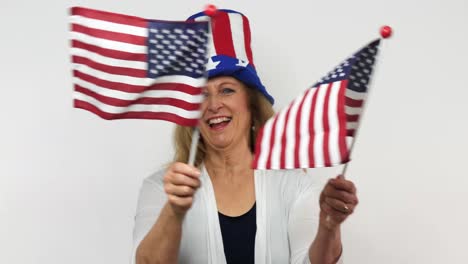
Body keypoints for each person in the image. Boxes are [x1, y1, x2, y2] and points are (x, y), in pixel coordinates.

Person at [132, 9, 358, 264]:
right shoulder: (160, 188)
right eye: (202, 94)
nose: (214, 104)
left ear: (251, 104)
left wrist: (328, 228)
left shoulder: (294, 185)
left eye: (226, 90)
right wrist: (174, 209)